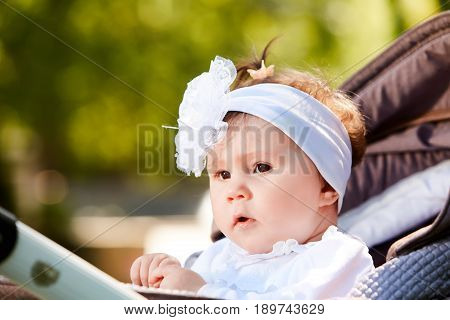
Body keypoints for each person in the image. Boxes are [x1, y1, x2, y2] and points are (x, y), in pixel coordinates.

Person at [130, 44, 374, 299]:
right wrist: (165, 283)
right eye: (223, 174)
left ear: (326, 187)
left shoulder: (336, 260)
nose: (234, 191)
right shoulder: (215, 259)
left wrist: (201, 293)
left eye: (261, 167)